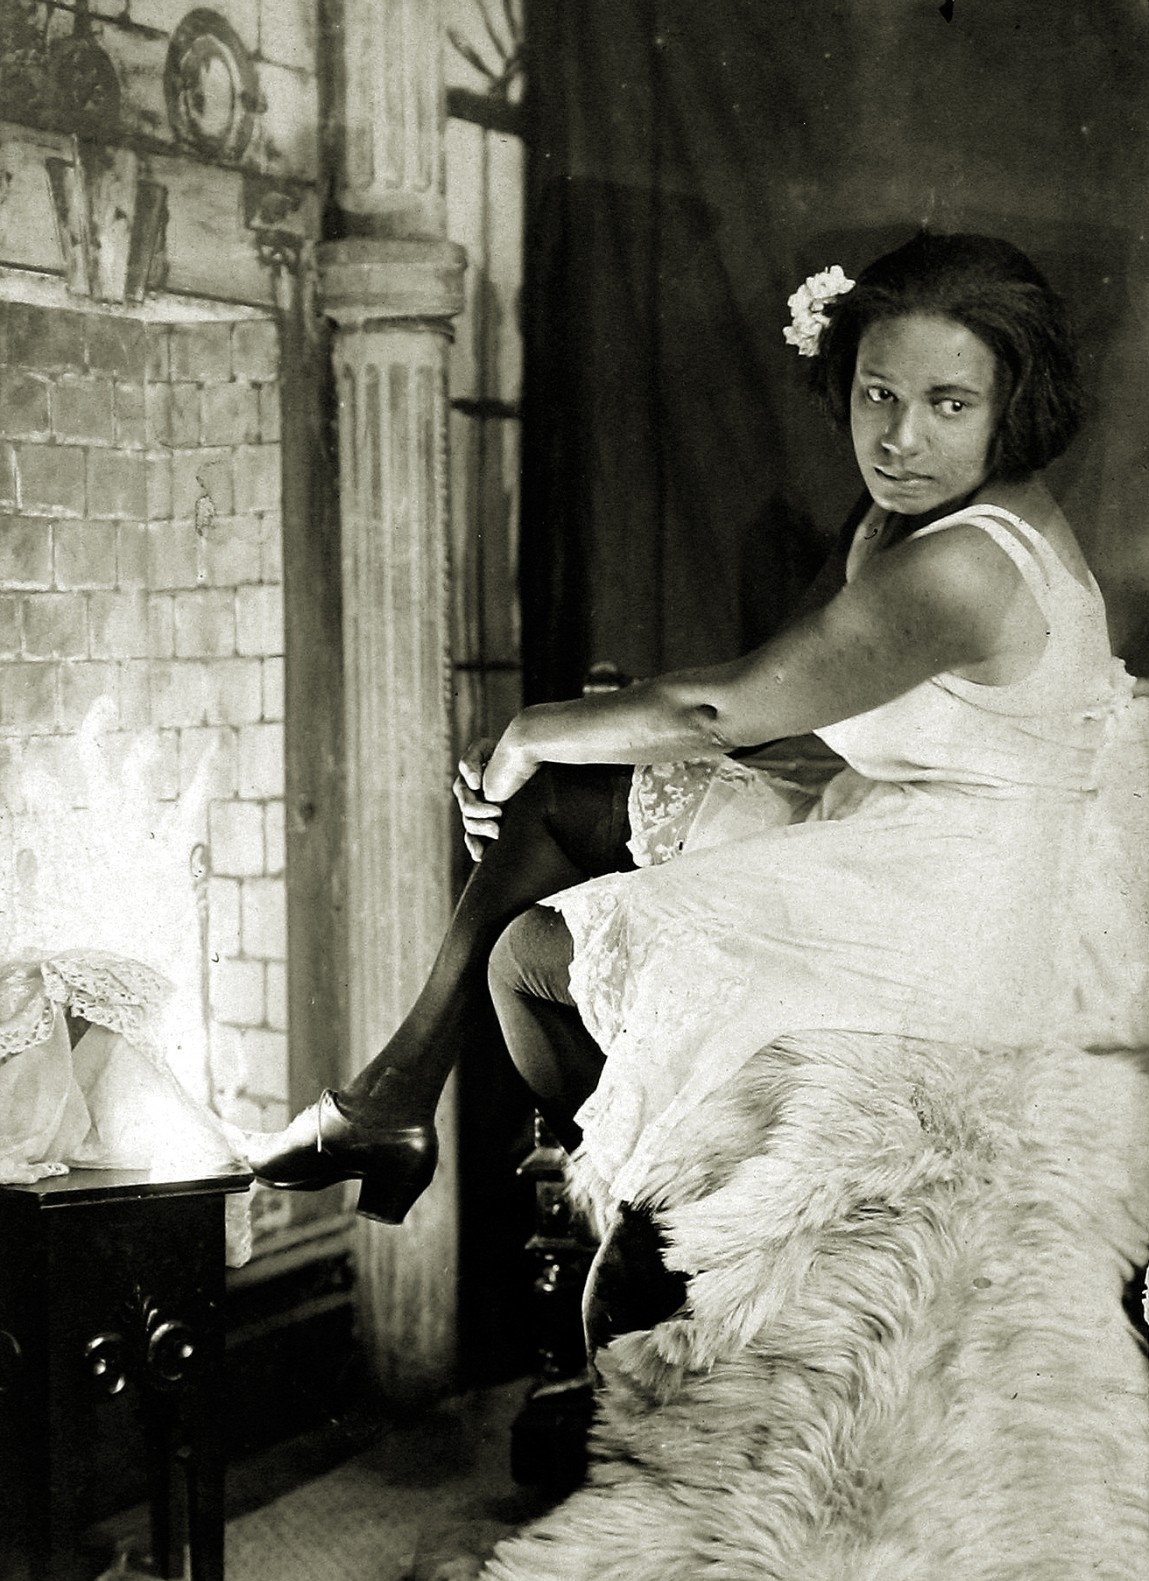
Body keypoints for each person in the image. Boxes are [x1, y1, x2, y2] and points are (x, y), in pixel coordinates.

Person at [247, 232, 1139, 1292]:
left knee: (528, 957)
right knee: (570, 807)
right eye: (876, 394)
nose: (900, 439)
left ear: (1011, 406)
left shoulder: (963, 563)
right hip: (906, 827)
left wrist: (533, 729)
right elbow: (778, 695)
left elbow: (721, 712)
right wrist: (597, 731)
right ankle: (394, 1101)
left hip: (969, 904)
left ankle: (655, 1212)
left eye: (950, 404)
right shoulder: (905, 514)